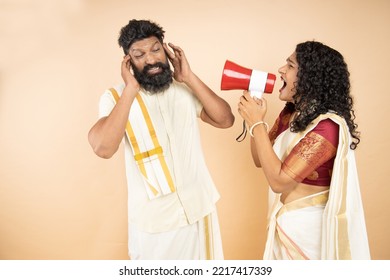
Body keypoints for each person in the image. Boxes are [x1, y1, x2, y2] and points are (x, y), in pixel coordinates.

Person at [88, 19, 234, 260]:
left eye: (156, 50)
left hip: (199, 209)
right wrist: (130, 90)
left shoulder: (184, 89)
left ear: (166, 50)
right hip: (155, 222)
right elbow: (103, 147)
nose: (151, 59)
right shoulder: (115, 97)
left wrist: (188, 77)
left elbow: (225, 119)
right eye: (139, 54)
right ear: (128, 62)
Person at [238, 41, 370, 260]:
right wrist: (253, 121)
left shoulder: (327, 127)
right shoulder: (290, 115)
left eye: (289, 66)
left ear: (310, 77)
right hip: (286, 226)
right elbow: (259, 159)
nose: (281, 70)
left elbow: (279, 182)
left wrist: (257, 124)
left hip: (308, 235)